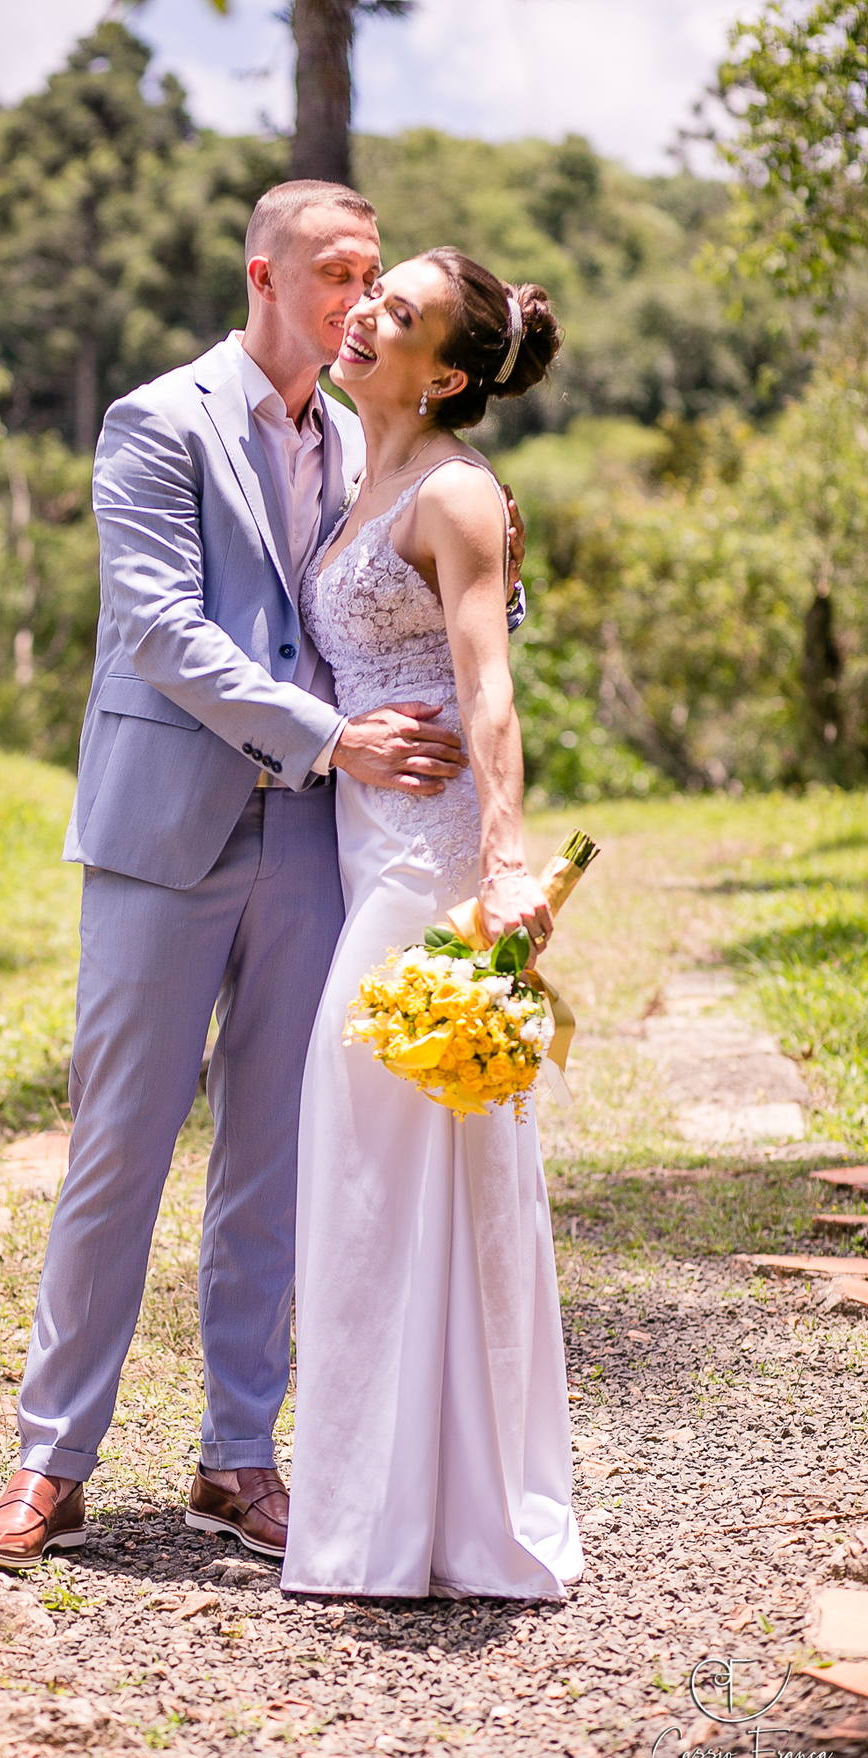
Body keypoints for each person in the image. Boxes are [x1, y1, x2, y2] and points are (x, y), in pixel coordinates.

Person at [0, 183, 527, 1571]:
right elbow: (159, 628)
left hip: (316, 852)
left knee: (272, 1159)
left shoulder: (369, 437)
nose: (359, 298)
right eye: (338, 274)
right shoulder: (155, 420)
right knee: (120, 1151)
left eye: (377, 277)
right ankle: (51, 1461)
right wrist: (332, 736)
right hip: (166, 837)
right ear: (263, 274)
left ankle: (237, 1455)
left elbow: (438, 599)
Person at [281, 249, 583, 1600]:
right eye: (368, 295)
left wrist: (508, 867)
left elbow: (490, 689)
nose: (362, 314)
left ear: (447, 372)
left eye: (396, 313)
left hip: (431, 875)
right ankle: (396, 1511)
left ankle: (429, 1522)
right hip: (364, 851)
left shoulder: (453, 491)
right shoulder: (358, 471)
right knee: (378, 1177)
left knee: (396, 1168)